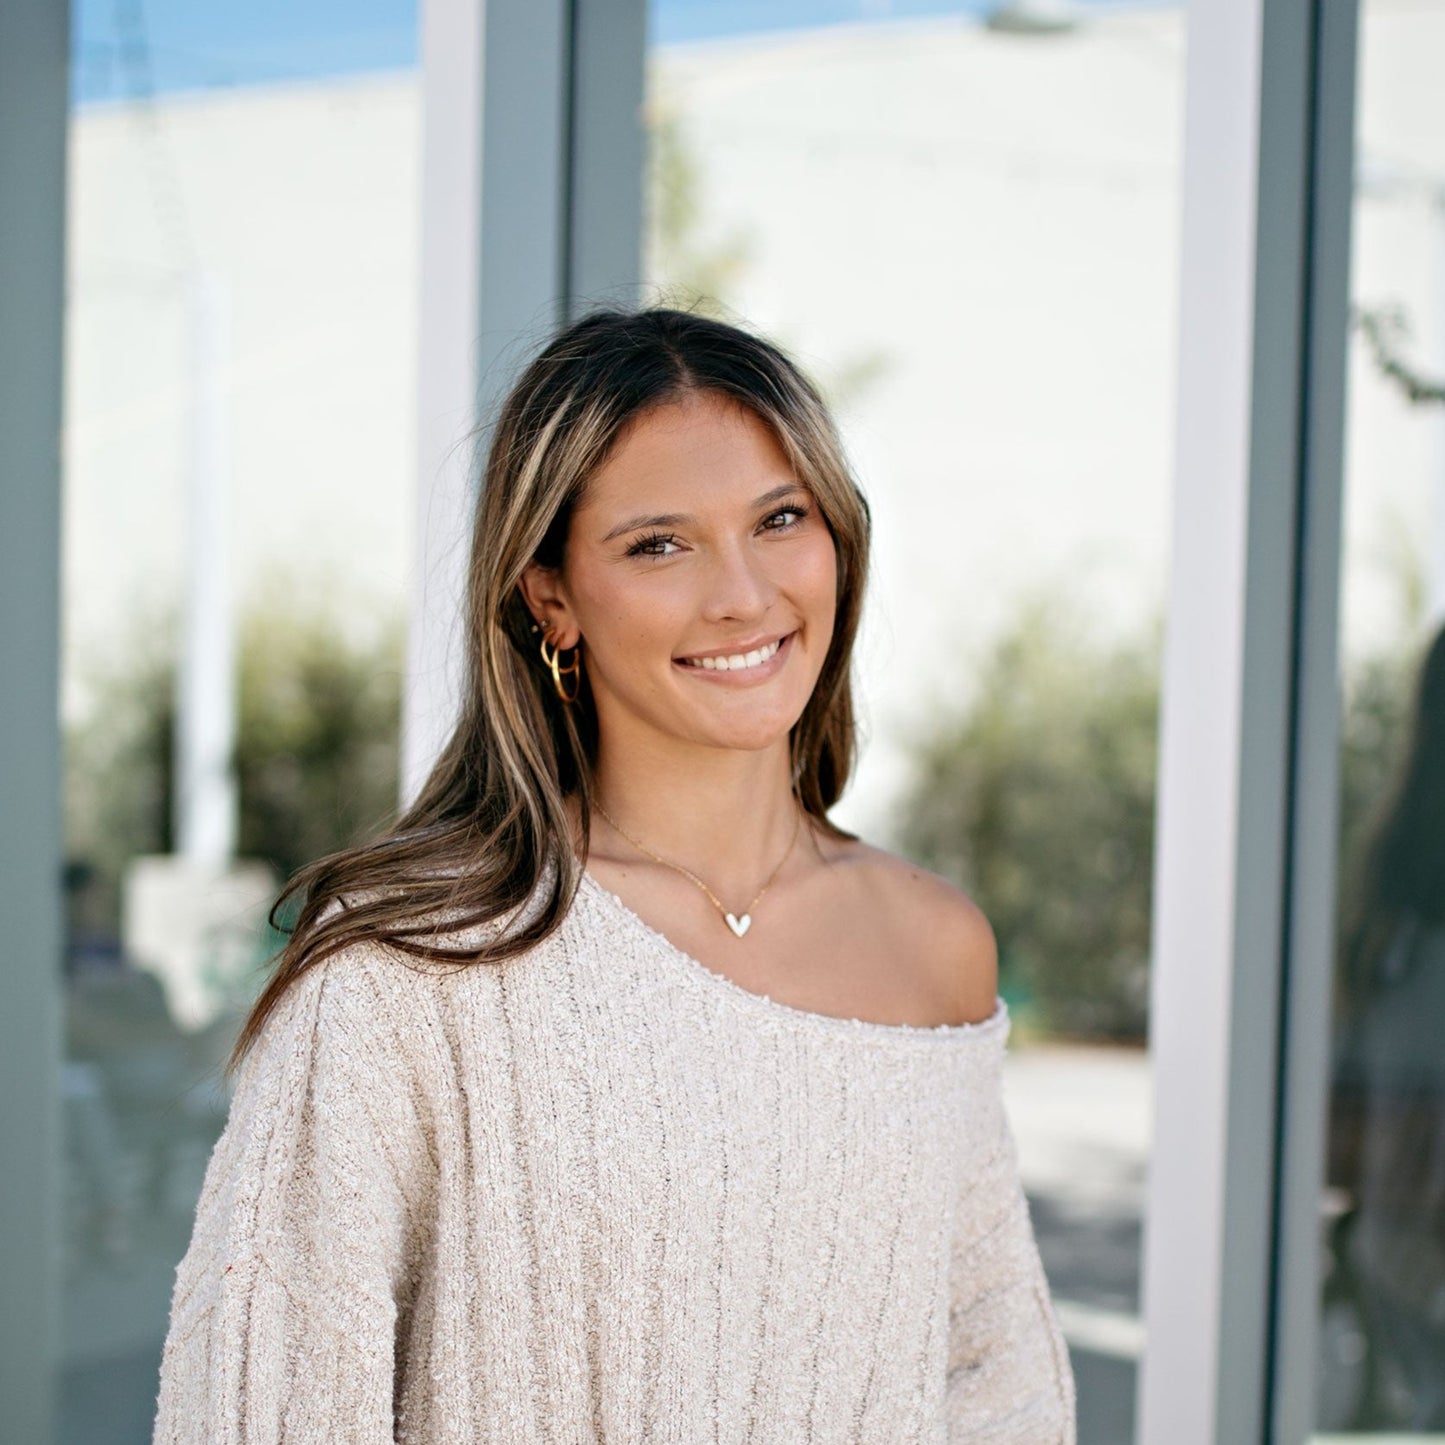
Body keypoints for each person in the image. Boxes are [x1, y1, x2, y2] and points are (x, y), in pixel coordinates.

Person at [153, 307, 1076, 1443]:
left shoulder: (933, 944)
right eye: (658, 543)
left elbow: (997, 1384)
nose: (741, 594)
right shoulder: (415, 961)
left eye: (778, 518)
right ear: (550, 596)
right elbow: (265, 1405)